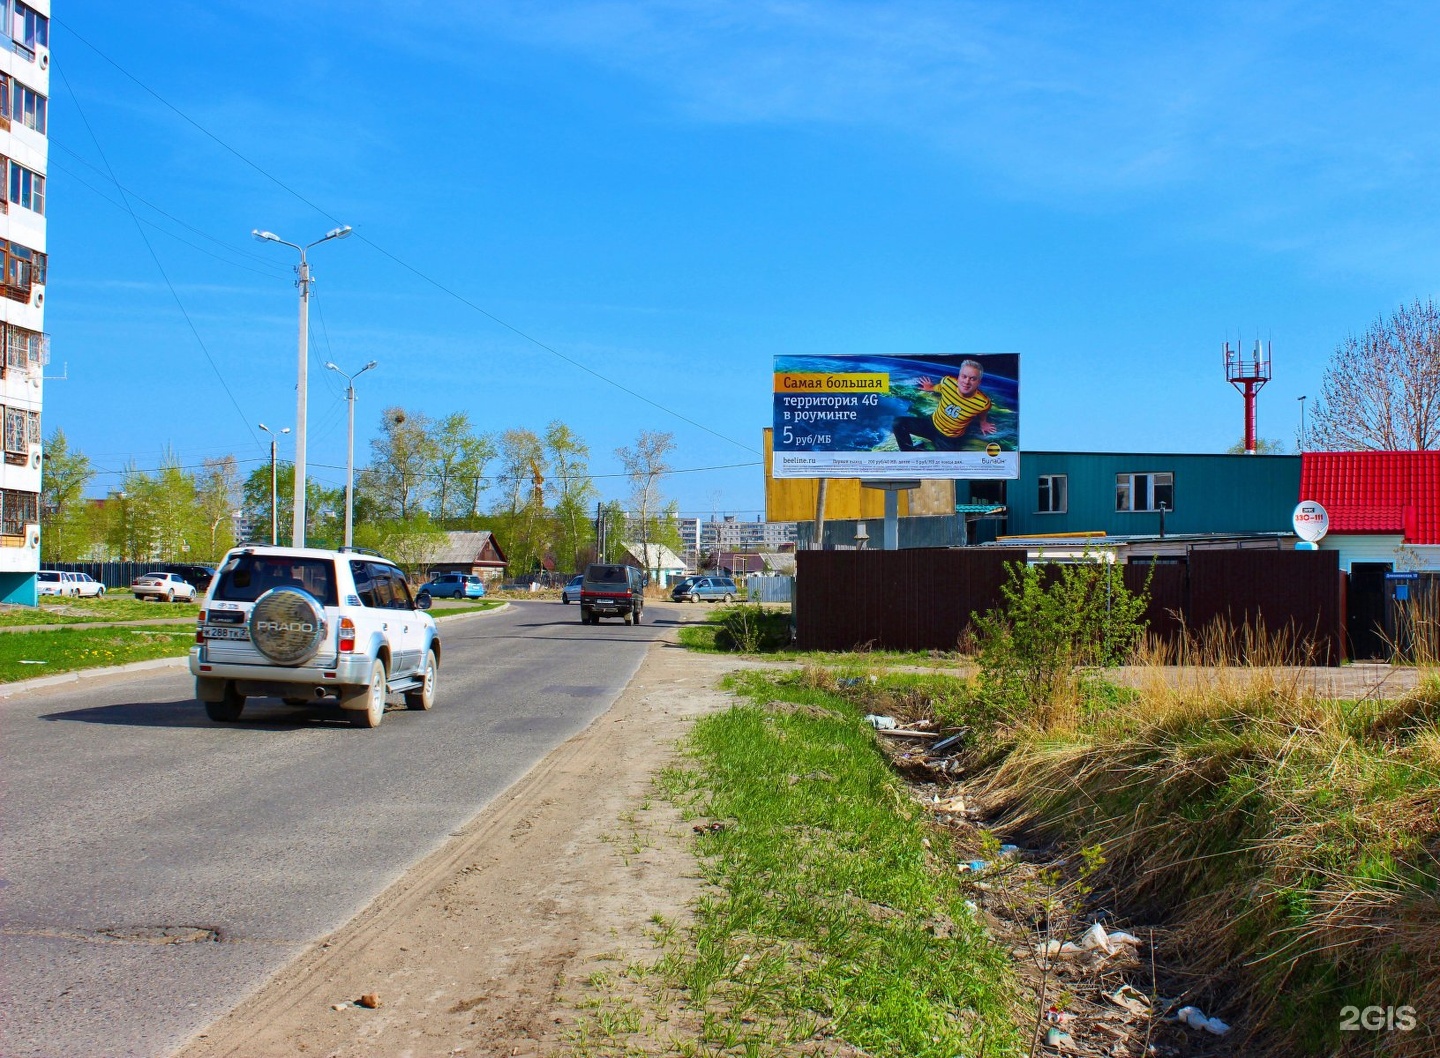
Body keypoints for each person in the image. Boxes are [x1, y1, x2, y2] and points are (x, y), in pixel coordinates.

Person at [892, 359, 997, 451]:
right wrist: (929, 387)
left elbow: (983, 412)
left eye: (972, 378)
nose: (966, 382)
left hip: (948, 438)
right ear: (959, 376)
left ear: (978, 382)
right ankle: (909, 452)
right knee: (898, 423)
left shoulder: (983, 402)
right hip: (931, 424)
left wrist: (983, 423)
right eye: (964, 376)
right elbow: (938, 388)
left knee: (946, 465)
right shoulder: (947, 382)